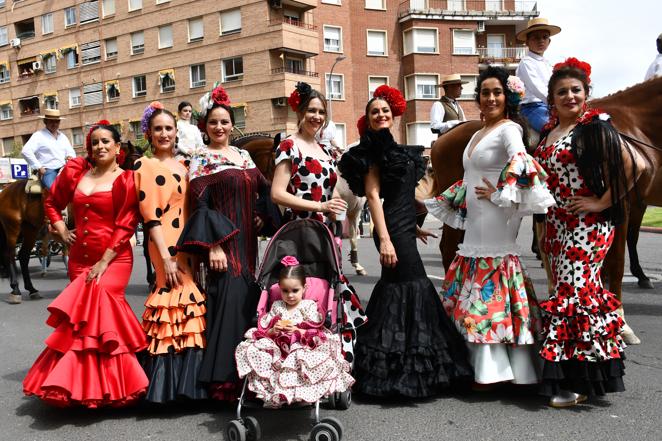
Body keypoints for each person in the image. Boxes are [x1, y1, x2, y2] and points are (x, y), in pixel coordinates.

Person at [338, 85, 473, 397]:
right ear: (368, 120)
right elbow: (373, 195)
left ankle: (405, 358)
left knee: (404, 287)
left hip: (403, 227)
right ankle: (400, 365)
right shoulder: (370, 152)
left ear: (393, 114)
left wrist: (412, 226)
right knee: (410, 286)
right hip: (390, 230)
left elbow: (402, 196)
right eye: (375, 112)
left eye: (385, 110)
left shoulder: (399, 150)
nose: (381, 115)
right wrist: (385, 239)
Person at [426, 67, 555, 388]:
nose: (491, 98)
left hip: (498, 217)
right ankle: (483, 365)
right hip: (478, 220)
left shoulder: (509, 129)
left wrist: (500, 194)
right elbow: (469, 177)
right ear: (479, 98)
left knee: (491, 283)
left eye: (497, 92)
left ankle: (499, 369)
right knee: (475, 285)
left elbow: (521, 161)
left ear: (507, 97)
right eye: (485, 92)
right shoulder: (477, 132)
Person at [534, 57, 641, 407]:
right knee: (579, 294)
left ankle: (577, 381)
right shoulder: (549, 133)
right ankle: (594, 373)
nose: (569, 96)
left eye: (575, 90)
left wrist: (600, 202)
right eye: (562, 91)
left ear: (586, 93)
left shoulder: (595, 128)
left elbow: (633, 168)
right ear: (552, 98)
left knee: (574, 293)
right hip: (558, 225)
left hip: (589, 225)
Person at [23, 122, 148, 407]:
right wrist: (61, 229)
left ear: (118, 148)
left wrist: (104, 261)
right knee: (81, 324)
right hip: (79, 258)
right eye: (95, 143)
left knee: (100, 300)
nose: (100, 146)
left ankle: (115, 386)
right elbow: (52, 202)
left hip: (114, 259)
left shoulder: (127, 179)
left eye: (106, 142)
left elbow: (125, 224)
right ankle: (79, 386)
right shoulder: (76, 171)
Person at [176, 85, 270, 401]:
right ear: (205, 127)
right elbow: (201, 207)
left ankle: (251, 376)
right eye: (213, 122)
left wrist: (260, 214)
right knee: (228, 303)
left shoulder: (243, 156)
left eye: (224, 122)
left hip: (248, 243)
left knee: (247, 304)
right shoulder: (201, 159)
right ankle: (225, 381)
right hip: (223, 246)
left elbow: (265, 189)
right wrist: (213, 246)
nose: (219, 127)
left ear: (232, 125)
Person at [271, 81, 366, 364]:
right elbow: (277, 193)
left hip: (326, 233)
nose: (317, 116)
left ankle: (322, 360)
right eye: (311, 110)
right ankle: (293, 362)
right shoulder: (289, 145)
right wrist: (320, 206)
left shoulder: (325, 151)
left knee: (325, 298)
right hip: (298, 233)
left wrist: (334, 204)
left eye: (321, 111)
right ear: (300, 112)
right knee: (298, 297)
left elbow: (330, 188)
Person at [133, 102, 207, 403]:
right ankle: (166, 385)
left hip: (186, 241)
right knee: (172, 295)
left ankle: (185, 381)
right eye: (158, 129)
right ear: (149, 134)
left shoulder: (184, 166)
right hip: (164, 243)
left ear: (177, 133)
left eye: (169, 129)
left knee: (187, 302)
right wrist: (164, 255)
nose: (164, 134)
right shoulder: (145, 166)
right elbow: (149, 216)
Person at [235, 256, 354, 407]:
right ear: (279, 288)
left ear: (304, 289)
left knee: (304, 357)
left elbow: (316, 331)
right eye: (285, 291)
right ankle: (274, 392)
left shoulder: (308, 306)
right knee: (253, 348)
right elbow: (264, 330)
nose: (290, 295)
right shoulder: (277, 306)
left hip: (301, 345)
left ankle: (300, 392)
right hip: (278, 347)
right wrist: (273, 329)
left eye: (295, 290)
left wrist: (298, 330)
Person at [515, 18, 561, 133]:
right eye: (536, 37)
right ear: (527, 42)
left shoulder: (548, 64)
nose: (541, 41)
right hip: (531, 107)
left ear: (549, 42)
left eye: (545, 37)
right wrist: (557, 102)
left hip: (550, 105)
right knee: (555, 131)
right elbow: (537, 88)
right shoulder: (526, 62)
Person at [21, 109, 76, 190]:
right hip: (49, 171)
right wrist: (39, 167)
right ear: (45, 121)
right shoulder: (38, 135)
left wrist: (70, 156)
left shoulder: (63, 136)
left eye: (56, 122)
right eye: (51, 121)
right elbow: (26, 151)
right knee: (54, 190)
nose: (54, 124)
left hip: (65, 169)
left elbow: (71, 152)